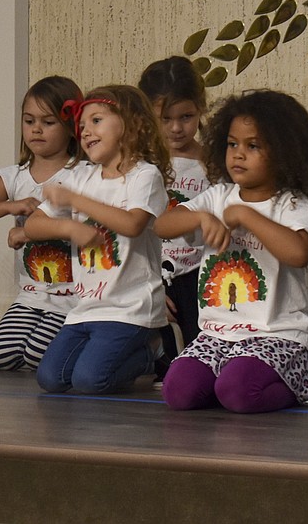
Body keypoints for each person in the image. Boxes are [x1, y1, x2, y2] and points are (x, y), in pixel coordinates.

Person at [154, 90, 308, 413]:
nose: (238, 154)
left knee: (238, 391)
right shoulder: (217, 196)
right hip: (218, 335)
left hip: (277, 336)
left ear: (284, 153)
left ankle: (300, 382)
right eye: (232, 144)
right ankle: (223, 384)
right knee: (177, 390)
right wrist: (198, 217)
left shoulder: (290, 204)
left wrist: (244, 215)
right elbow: (162, 225)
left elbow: (299, 253)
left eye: (252, 146)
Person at [24, 85, 172, 394]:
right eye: (81, 126)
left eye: (96, 120)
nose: (86, 132)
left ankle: (151, 353)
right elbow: (33, 226)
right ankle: (135, 353)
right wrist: (68, 229)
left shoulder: (144, 176)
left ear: (133, 125)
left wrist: (76, 202)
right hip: (86, 307)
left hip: (130, 308)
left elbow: (132, 224)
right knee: (51, 378)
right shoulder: (81, 177)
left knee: (91, 381)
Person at [0, 76, 87, 370]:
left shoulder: (82, 174)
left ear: (71, 127)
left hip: (72, 294)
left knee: (36, 355)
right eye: (29, 121)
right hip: (31, 294)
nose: (36, 129)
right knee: (2, 356)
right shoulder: (14, 176)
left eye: (48, 122)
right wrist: (7, 206)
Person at [138, 56, 208, 383]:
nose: (177, 128)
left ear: (201, 110)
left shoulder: (213, 161)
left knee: (200, 355)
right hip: (151, 273)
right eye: (165, 119)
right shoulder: (140, 165)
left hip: (198, 273)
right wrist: (150, 284)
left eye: (186, 117)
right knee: (162, 361)